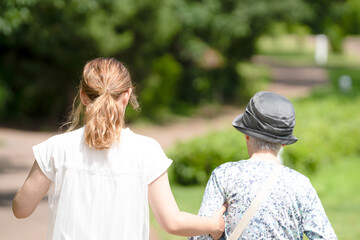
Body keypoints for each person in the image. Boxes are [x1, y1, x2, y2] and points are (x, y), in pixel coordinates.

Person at [12, 57, 226, 240]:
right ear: (127, 95)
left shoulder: (56, 148)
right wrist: (213, 225)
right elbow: (171, 222)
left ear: (83, 96)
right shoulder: (147, 150)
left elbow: (21, 210)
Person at [190, 91, 337, 239]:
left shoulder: (224, 175)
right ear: (284, 143)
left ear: (246, 134)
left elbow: (199, 236)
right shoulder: (300, 184)